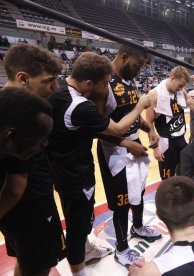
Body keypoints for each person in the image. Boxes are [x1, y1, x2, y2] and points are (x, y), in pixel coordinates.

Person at [47, 52, 151, 275]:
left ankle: (85, 249)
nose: (106, 88)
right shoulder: (80, 106)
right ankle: (79, 271)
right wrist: (140, 105)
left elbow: (92, 127)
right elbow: (116, 128)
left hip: (62, 169)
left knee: (81, 220)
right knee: (77, 226)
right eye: (104, 84)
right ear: (88, 83)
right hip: (75, 174)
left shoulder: (60, 91)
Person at [0, 44, 67, 276]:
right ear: (23, 78)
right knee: (39, 268)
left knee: (25, 261)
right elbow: (14, 188)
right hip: (31, 214)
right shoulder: (19, 120)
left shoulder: (10, 107)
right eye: (49, 80)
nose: (55, 86)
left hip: (18, 217)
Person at [96, 45, 162, 268]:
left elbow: (133, 115)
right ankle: (122, 247)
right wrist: (126, 144)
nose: (138, 71)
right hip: (113, 149)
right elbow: (98, 127)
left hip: (134, 143)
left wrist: (150, 130)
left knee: (138, 191)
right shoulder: (104, 84)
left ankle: (138, 226)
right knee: (121, 201)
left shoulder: (128, 80)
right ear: (124, 57)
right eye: (137, 65)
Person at [146, 66, 194, 179]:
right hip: (166, 143)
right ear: (172, 78)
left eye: (183, 86)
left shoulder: (181, 92)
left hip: (181, 140)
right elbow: (148, 123)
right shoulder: (154, 94)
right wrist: (155, 147)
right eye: (180, 85)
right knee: (168, 179)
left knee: (186, 175)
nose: (181, 88)